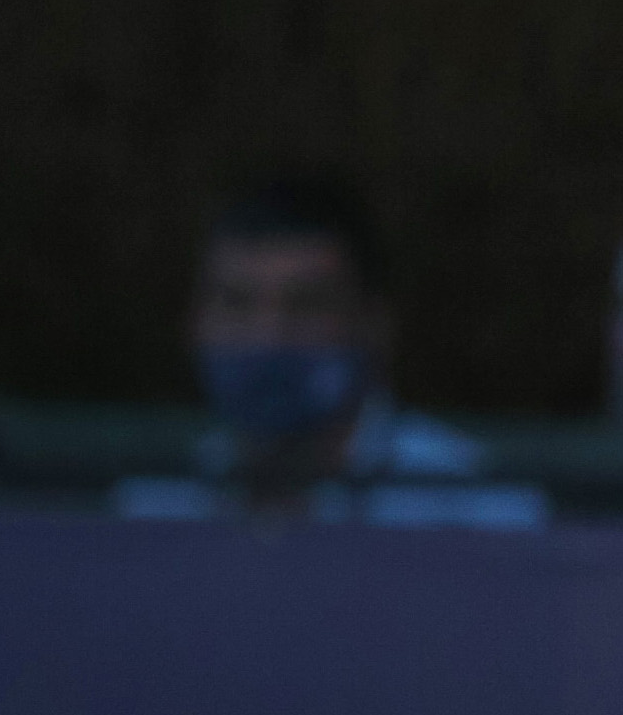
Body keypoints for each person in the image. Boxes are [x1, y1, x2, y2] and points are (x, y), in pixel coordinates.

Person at [114, 174, 532, 525]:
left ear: (374, 324)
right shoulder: (154, 506)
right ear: (195, 324)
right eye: (237, 304)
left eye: (307, 305)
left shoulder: (471, 506)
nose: (269, 339)